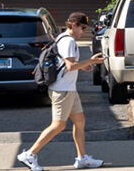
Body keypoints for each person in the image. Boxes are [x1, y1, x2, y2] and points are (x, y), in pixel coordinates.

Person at [18, 12, 105, 171]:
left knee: (79, 121)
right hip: (62, 90)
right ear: (73, 25)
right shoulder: (68, 41)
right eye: (82, 27)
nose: (83, 31)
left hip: (69, 89)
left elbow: (68, 64)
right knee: (58, 125)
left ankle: (82, 158)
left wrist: (84, 65)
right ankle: (30, 154)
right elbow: (71, 66)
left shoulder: (64, 39)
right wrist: (91, 60)